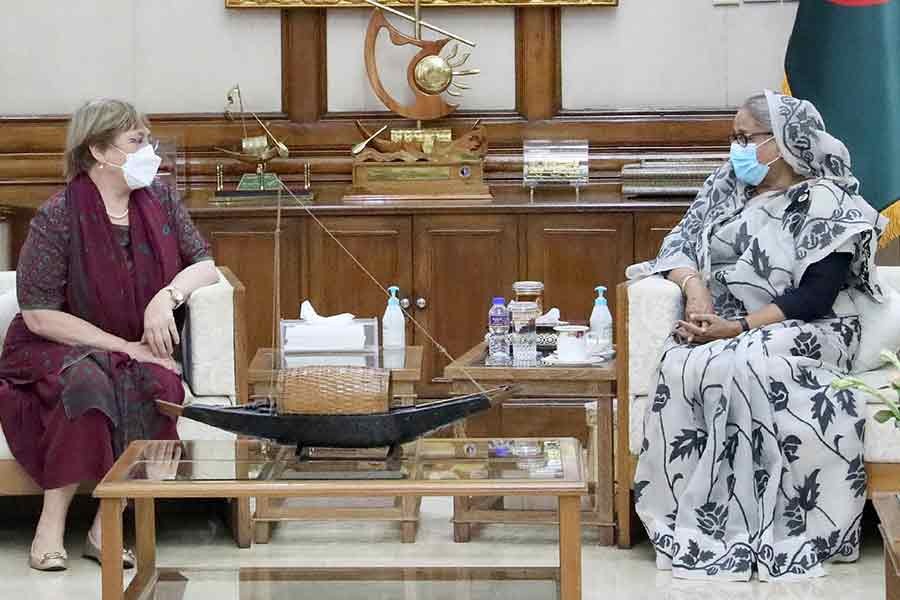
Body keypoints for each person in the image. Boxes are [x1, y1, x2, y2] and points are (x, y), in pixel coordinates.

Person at [627, 90, 885, 581]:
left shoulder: (826, 200)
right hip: (725, 322)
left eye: (746, 138)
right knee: (686, 363)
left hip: (804, 328)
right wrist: (697, 294)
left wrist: (739, 327)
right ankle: (707, 523)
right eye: (734, 138)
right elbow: (678, 243)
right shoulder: (726, 188)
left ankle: (778, 525)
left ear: (785, 142)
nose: (737, 149)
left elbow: (815, 297)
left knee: (752, 361)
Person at [0, 99, 218, 571]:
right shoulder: (58, 216)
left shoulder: (160, 200)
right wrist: (125, 347)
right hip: (54, 345)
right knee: (87, 382)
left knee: (161, 388)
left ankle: (106, 527)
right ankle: (49, 527)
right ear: (99, 150)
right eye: (137, 142)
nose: (150, 152)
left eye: (147, 140)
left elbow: (205, 264)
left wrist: (167, 296)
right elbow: (38, 315)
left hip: (132, 348)